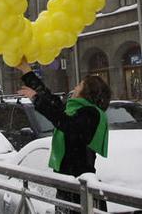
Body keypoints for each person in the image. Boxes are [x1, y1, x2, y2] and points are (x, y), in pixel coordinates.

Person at [16, 59, 110, 213]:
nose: (75, 87)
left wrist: (36, 99)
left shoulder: (91, 114)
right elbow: (51, 100)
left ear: (87, 92)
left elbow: (65, 123)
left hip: (79, 186)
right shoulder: (75, 110)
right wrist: (27, 72)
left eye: (79, 85)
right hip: (66, 184)